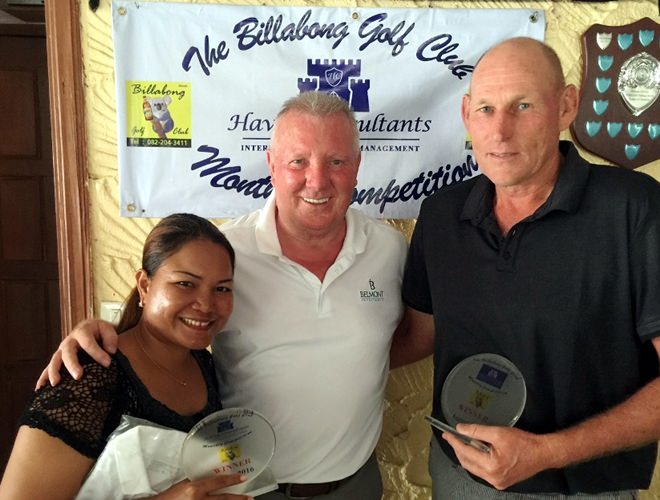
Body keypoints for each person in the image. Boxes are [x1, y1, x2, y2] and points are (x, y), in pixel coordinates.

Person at [36, 92, 407, 500]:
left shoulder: (390, 250)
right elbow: (166, 322)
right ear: (271, 165)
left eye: (336, 161)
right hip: (243, 488)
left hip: (356, 483)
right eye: (298, 161)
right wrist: (95, 332)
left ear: (356, 166)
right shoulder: (226, 252)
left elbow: (406, 336)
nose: (316, 180)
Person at [392, 37, 660, 498]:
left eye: (524, 106)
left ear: (566, 107)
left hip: (582, 486)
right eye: (487, 109)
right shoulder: (441, 215)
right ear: (466, 113)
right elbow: (420, 335)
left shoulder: (636, 209)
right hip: (459, 477)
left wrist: (549, 452)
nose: (500, 132)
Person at [0, 214, 249, 500]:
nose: (206, 305)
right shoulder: (89, 378)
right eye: (185, 284)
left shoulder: (205, 365)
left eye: (222, 289)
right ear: (145, 285)